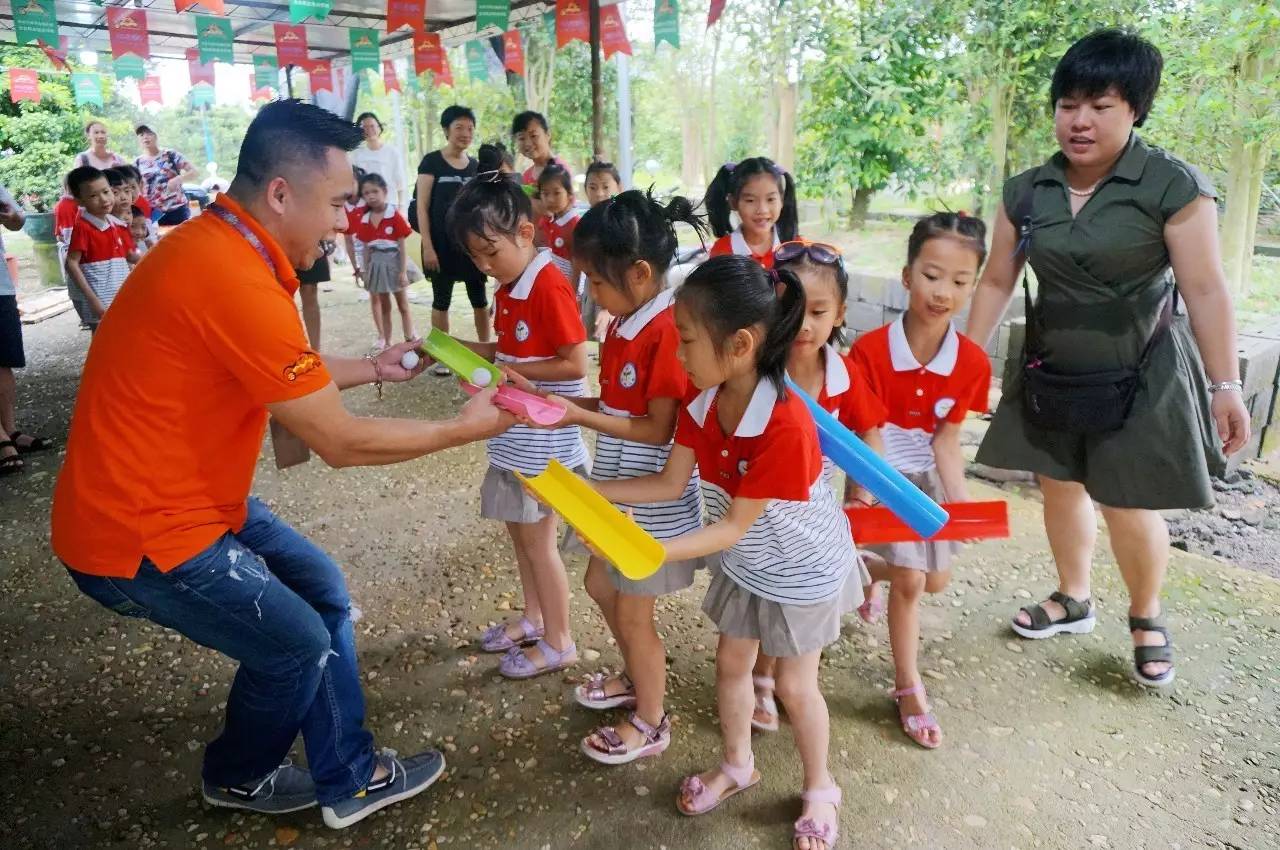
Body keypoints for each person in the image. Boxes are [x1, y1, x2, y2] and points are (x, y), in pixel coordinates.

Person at [50, 99, 512, 830]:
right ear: (279, 193)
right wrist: (463, 430)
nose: (341, 222)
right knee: (296, 645)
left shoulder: (224, 248)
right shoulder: (231, 276)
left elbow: (275, 364)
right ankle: (238, 776)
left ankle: (347, 776)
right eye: (334, 204)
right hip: (140, 534)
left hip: (193, 504)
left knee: (322, 592)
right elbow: (340, 441)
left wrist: (370, 364)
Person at [965, 29, 1250, 689]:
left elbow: (1206, 289)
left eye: (1100, 104)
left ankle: (1147, 615)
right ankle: (1073, 597)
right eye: (1068, 104)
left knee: (1127, 498)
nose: (1079, 120)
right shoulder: (1028, 190)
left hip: (1140, 369)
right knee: (1057, 483)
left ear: (1135, 109)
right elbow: (995, 283)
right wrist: (964, 361)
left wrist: (1225, 384)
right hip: (1051, 365)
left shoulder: (1172, 185)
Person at [594, 255, 854, 850]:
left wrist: (648, 548)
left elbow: (733, 524)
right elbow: (666, 483)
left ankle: (820, 786)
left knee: (794, 687)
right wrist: (587, 491)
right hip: (748, 564)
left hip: (798, 569)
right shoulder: (702, 404)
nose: (678, 354)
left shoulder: (785, 424)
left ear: (739, 344)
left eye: (685, 340)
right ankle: (738, 764)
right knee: (731, 666)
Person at [539, 191, 707, 766]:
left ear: (638, 273)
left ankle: (651, 719)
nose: (590, 294)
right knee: (599, 585)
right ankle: (640, 673)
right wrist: (558, 398)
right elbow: (615, 400)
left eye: (596, 281)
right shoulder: (624, 320)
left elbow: (659, 430)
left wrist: (578, 415)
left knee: (633, 609)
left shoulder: (665, 330)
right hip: (615, 471)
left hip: (649, 489)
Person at [853, 213, 992, 748]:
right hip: (878, 470)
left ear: (973, 286)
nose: (943, 292)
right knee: (913, 581)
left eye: (960, 282)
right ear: (907, 275)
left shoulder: (973, 363)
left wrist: (961, 503)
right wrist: (868, 498)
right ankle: (908, 687)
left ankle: (867, 570)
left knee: (933, 580)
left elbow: (947, 441)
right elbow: (866, 435)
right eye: (932, 276)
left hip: (928, 480)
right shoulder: (867, 353)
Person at [445, 173, 589, 680]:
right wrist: (453, 350)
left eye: (491, 252)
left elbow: (575, 365)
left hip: (544, 445)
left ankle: (559, 641)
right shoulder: (511, 284)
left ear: (525, 233)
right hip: (512, 441)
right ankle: (533, 619)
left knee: (539, 545)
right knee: (521, 540)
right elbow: (508, 354)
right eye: (476, 258)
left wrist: (516, 373)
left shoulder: (548, 283)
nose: (485, 267)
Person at [750, 239, 887, 736]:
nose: (803, 325)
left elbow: (869, 432)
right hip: (756, 509)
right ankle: (758, 677)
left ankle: (775, 678)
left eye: (818, 311)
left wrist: (860, 495)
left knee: (798, 600)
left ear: (840, 312)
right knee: (762, 594)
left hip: (813, 512)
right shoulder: (756, 366)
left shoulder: (844, 376)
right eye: (789, 309)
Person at [414, 105, 490, 354]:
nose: (465, 133)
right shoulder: (431, 162)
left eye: (470, 128)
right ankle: (442, 354)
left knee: (479, 300)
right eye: (459, 127)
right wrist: (428, 247)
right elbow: (422, 207)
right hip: (440, 246)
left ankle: (485, 352)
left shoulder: (476, 166)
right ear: (446, 130)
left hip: (471, 247)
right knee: (441, 299)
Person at [0, 182, 50, 476]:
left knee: (5, 359)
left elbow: (17, 220)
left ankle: (11, 430)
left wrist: (11, 217)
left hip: (1, 285)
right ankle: (2, 439)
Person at [64, 165, 138, 331]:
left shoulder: (115, 224)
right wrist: (93, 300)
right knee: (104, 341)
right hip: (100, 300)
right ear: (79, 201)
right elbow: (71, 263)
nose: (104, 199)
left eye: (106, 192)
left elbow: (130, 255)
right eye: (93, 195)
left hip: (117, 295)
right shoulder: (83, 227)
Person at [354, 172, 418, 347]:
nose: (371, 196)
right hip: (376, 265)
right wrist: (365, 270)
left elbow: (402, 245)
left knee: (403, 305)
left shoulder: (393, 214)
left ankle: (409, 339)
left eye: (375, 191)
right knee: (385, 307)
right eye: (366, 193)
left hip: (395, 263)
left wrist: (403, 271)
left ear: (384, 191)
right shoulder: (365, 219)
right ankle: (388, 342)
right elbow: (366, 248)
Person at [704, 157, 798, 268]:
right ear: (733, 202)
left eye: (770, 199)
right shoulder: (721, 252)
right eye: (750, 200)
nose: (762, 210)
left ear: (782, 200)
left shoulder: (796, 248)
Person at [134, 125, 197, 226]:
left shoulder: (171, 155)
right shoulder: (137, 162)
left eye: (149, 133)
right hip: (153, 213)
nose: (145, 137)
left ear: (156, 136)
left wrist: (179, 179)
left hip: (177, 209)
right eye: (141, 135)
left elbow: (194, 172)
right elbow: (135, 187)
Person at [512, 111, 570, 219]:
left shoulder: (559, 170)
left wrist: (522, 197)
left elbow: (552, 211)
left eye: (533, 136)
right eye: (521, 138)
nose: (528, 143)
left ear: (548, 135)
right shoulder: (527, 175)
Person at [350, 113, 408, 209]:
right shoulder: (356, 154)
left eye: (372, 126)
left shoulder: (392, 152)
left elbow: (400, 182)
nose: (369, 130)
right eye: (364, 127)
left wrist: (401, 207)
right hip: (364, 206)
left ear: (379, 127)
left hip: (389, 204)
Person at [535, 163, 579, 281]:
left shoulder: (574, 225)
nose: (550, 199)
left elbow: (577, 267)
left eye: (557, 193)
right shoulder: (553, 220)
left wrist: (572, 295)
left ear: (570, 194)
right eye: (545, 193)